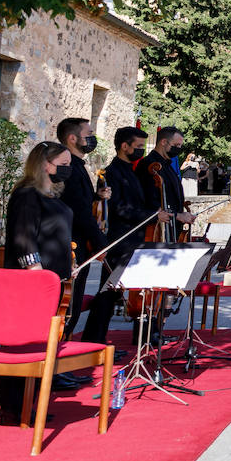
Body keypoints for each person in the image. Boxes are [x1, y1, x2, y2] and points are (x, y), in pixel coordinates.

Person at [0, 141, 79, 418]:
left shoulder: (49, 194)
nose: (67, 170)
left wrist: (70, 264)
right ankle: (13, 404)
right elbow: (23, 239)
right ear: (43, 164)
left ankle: (27, 400)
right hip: (35, 283)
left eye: (69, 165)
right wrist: (37, 277)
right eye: (62, 165)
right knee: (25, 343)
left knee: (41, 343)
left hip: (54, 279)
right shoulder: (27, 194)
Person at [84, 127, 171, 344]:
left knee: (114, 294)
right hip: (121, 241)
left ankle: (101, 340)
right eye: (138, 147)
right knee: (108, 293)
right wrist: (153, 215)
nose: (141, 152)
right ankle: (93, 341)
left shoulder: (130, 172)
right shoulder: (112, 173)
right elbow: (120, 209)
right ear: (124, 146)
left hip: (134, 240)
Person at [55, 117, 109, 340]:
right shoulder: (70, 170)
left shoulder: (77, 168)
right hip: (73, 245)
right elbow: (79, 211)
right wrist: (100, 243)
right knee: (68, 305)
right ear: (72, 138)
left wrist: (96, 197)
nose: (92, 138)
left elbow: (80, 202)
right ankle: (55, 366)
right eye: (88, 134)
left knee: (73, 304)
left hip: (78, 243)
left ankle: (59, 362)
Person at [139, 126, 195, 238]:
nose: (179, 149)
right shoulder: (149, 165)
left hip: (172, 229)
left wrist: (182, 214)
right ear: (164, 142)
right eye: (176, 145)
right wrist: (177, 216)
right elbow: (150, 200)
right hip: (158, 231)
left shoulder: (167, 165)